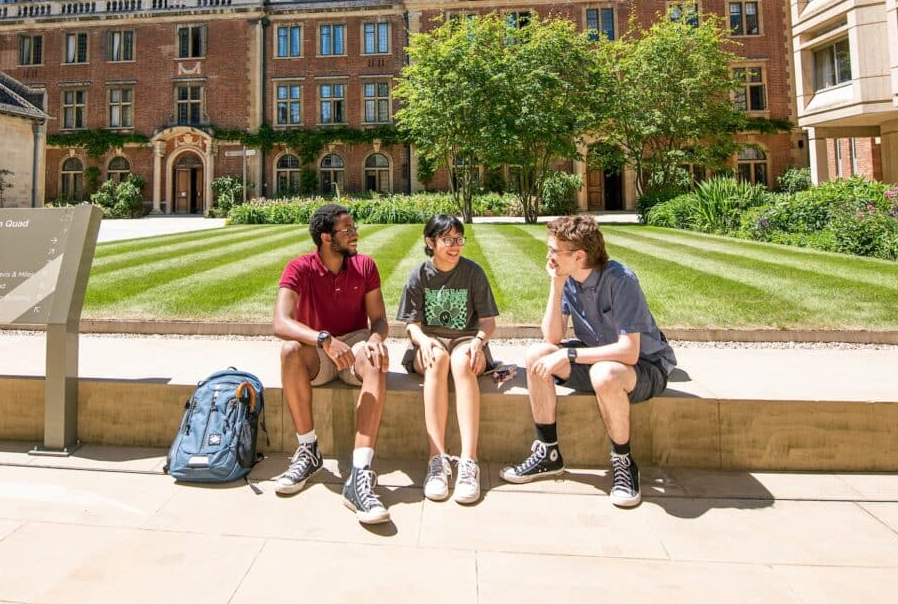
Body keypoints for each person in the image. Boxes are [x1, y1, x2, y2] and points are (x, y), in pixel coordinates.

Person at [500, 214, 675, 507]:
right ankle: (548, 452)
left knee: (604, 374)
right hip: (597, 360)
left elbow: (629, 352)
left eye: (554, 251)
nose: (549, 256)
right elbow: (552, 337)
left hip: (644, 368)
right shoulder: (570, 279)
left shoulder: (621, 280)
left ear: (579, 256)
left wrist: (570, 354)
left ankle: (623, 462)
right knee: (536, 356)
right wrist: (555, 288)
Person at [272, 203, 391, 525]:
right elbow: (281, 323)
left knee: (378, 357)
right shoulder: (299, 268)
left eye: (354, 228)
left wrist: (375, 340)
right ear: (326, 237)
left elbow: (379, 320)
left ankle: (360, 472)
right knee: (288, 351)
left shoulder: (365, 265)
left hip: (355, 344)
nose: (355, 235)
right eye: (347, 230)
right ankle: (308, 451)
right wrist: (324, 339)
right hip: (319, 348)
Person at [397, 214, 498, 505]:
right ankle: (437, 459)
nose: (455, 246)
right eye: (447, 240)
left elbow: (488, 323)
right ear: (431, 242)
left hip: (467, 339)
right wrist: (424, 340)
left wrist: (479, 343)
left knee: (462, 360)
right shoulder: (419, 275)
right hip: (430, 344)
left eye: (459, 239)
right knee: (438, 359)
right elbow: (411, 325)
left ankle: (469, 462)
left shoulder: (473, 272)